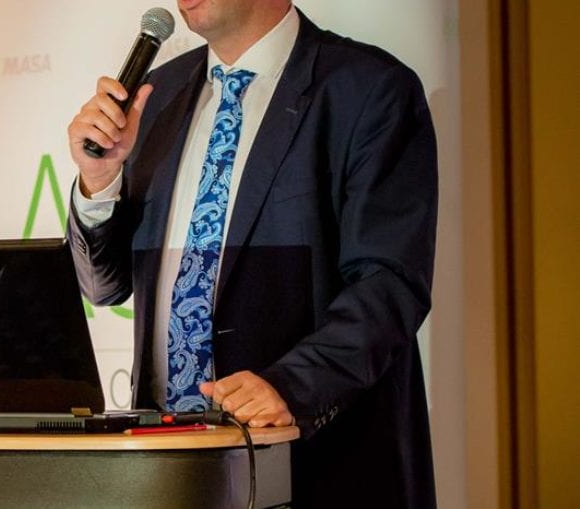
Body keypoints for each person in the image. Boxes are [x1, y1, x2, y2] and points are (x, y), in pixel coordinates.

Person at [65, 1, 437, 507]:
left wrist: (292, 386)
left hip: (319, 465)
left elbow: (390, 282)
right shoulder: (157, 94)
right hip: (173, 471)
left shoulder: (367, 88)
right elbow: (103, 286)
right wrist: (100, 180)